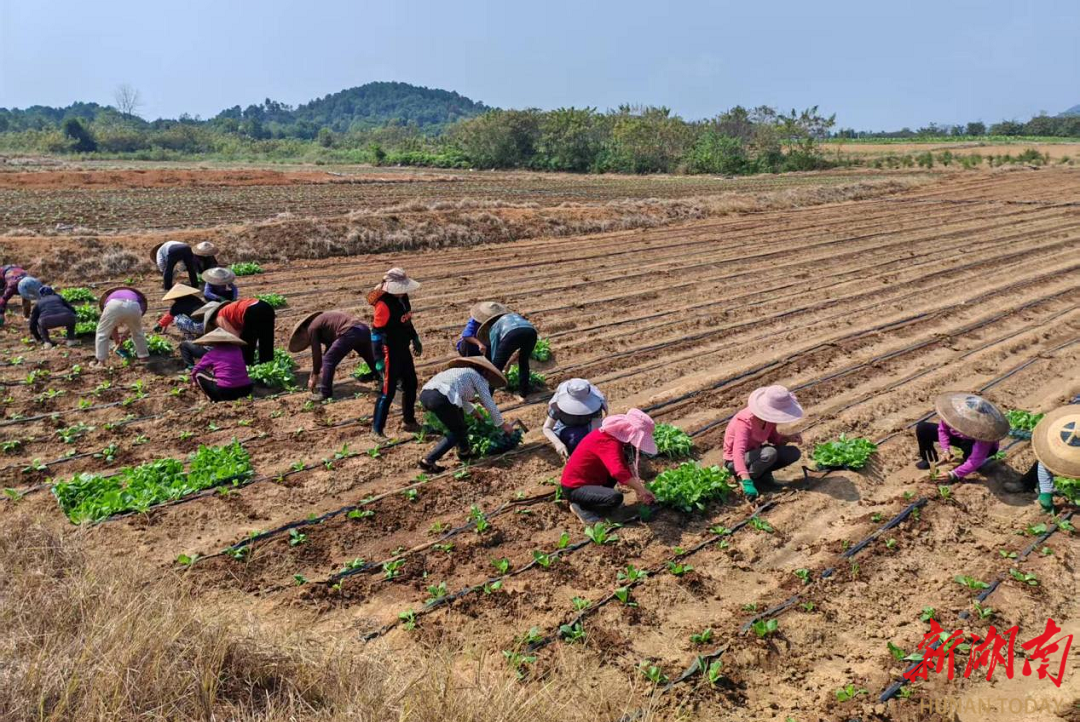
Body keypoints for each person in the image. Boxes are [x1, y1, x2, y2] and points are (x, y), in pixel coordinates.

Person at [559, 409, 657, 524]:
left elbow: (622, 466)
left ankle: (596, 499)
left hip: (590, 481)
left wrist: (638, 489)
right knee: (614, 498)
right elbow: (618, 472)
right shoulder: (608, 442)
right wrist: (641, 489)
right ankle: (583, 509)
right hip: (575, 487)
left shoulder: (612, 437)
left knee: (621, 462)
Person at [418, 357, 515, 473]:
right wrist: (502, 425)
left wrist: (475, 413)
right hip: (440, 398)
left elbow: (458, 399)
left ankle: (464, 452)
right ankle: (428, 460)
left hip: (426, 395)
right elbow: (488, 402)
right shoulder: (477, 377)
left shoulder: (461, 372)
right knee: (458, 431)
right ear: (485, 372)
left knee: (459, 421)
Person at [723, 385, 804, 499]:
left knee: (792, 453)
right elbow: (738, 453)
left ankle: (763, 477)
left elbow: (773, 439)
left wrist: (788, 438)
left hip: (755, 455)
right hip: (734, 462)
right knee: (769, 453)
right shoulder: (744, 422)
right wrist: (747, 481)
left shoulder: (769, 419)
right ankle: (749, 480)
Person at [368, 267, 422, 438]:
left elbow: (406, 321)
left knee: (411, 384)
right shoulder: (383, 304)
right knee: (388, 391)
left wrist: (414, 337)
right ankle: (377, 430)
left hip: (403, 348)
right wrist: (378, 359)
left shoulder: (403, 298)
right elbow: (376, 333)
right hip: (389, 351)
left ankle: (409, 421)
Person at [914, 392, 1008, 482]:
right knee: (923, 428)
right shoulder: (954, 413)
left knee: (970, 455)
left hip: (975, 444)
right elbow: (943, 430)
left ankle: (984, 460)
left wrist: (954, 474)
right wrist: (946, 449)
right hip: (961, 438)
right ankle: (928, 459)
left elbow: (974, 460)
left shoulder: (985, 432)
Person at [289, 311, 378, 401]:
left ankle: (325, 392)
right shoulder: (322, 323)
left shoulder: (311, 328)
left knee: (328, 361)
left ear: (302, 330)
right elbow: (330, 348)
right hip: (363, 329)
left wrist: (315, 376)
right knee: (369, 356)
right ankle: (379, 375)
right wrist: (316, 370)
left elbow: (316, 352)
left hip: (349, 332)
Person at [1007, 405, 1080, 512]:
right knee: (1044, 460)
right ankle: (1026, 484)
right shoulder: (1053, 455)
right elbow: (1044, 466)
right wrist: (1046, 493)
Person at [477, 304, 538, 400]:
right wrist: (508, 363)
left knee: (495, 368)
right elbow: (521, 334)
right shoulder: (513, 316)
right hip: (531, 332)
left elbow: (495, 353)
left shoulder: (494, 327)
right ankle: (523, 396)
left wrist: (495, 367)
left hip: (512, 334)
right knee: (524, 362)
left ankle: (486, 399)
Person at [543, 378, 608, 459]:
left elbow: (595, 430)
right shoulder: (558, 406)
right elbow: (547, 428)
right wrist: (558, 443)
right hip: (565, 427)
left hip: (586, 427)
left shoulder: (595, 405)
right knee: (574, 440)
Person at [204, 298, 276, 366]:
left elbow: (235, 337)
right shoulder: (228, 312)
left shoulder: (219, 318)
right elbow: (241, 331)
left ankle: (247, 366)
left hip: (252, 310)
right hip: (266, 306)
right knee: (266, 338)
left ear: (211, 322)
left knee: (247, 346)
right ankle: (267, 363)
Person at [190, 328, 254, 402]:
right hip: (246, 389)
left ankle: (212, 398)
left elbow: (196, 369)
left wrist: (194, 381)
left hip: (226, 391)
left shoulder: (212, 353)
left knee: (199, 374)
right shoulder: (238, 350)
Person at [155, 284, 207, 368]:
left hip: (198, 327)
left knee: (177, 318)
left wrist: (160, 324)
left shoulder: (177, 305)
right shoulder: (195, 299)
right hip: (208, 324)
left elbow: (169, 317)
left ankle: (190, 339)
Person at [94, 286, 149, 366]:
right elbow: (136, 321)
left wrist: (118, 341)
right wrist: (124, 335)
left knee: (102, 332)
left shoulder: (111, 296)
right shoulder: (137, 297)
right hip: (134, 305)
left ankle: (101, 362)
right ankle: (144, 358)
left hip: (114, 305)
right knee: (138, 332)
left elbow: (112, 327)